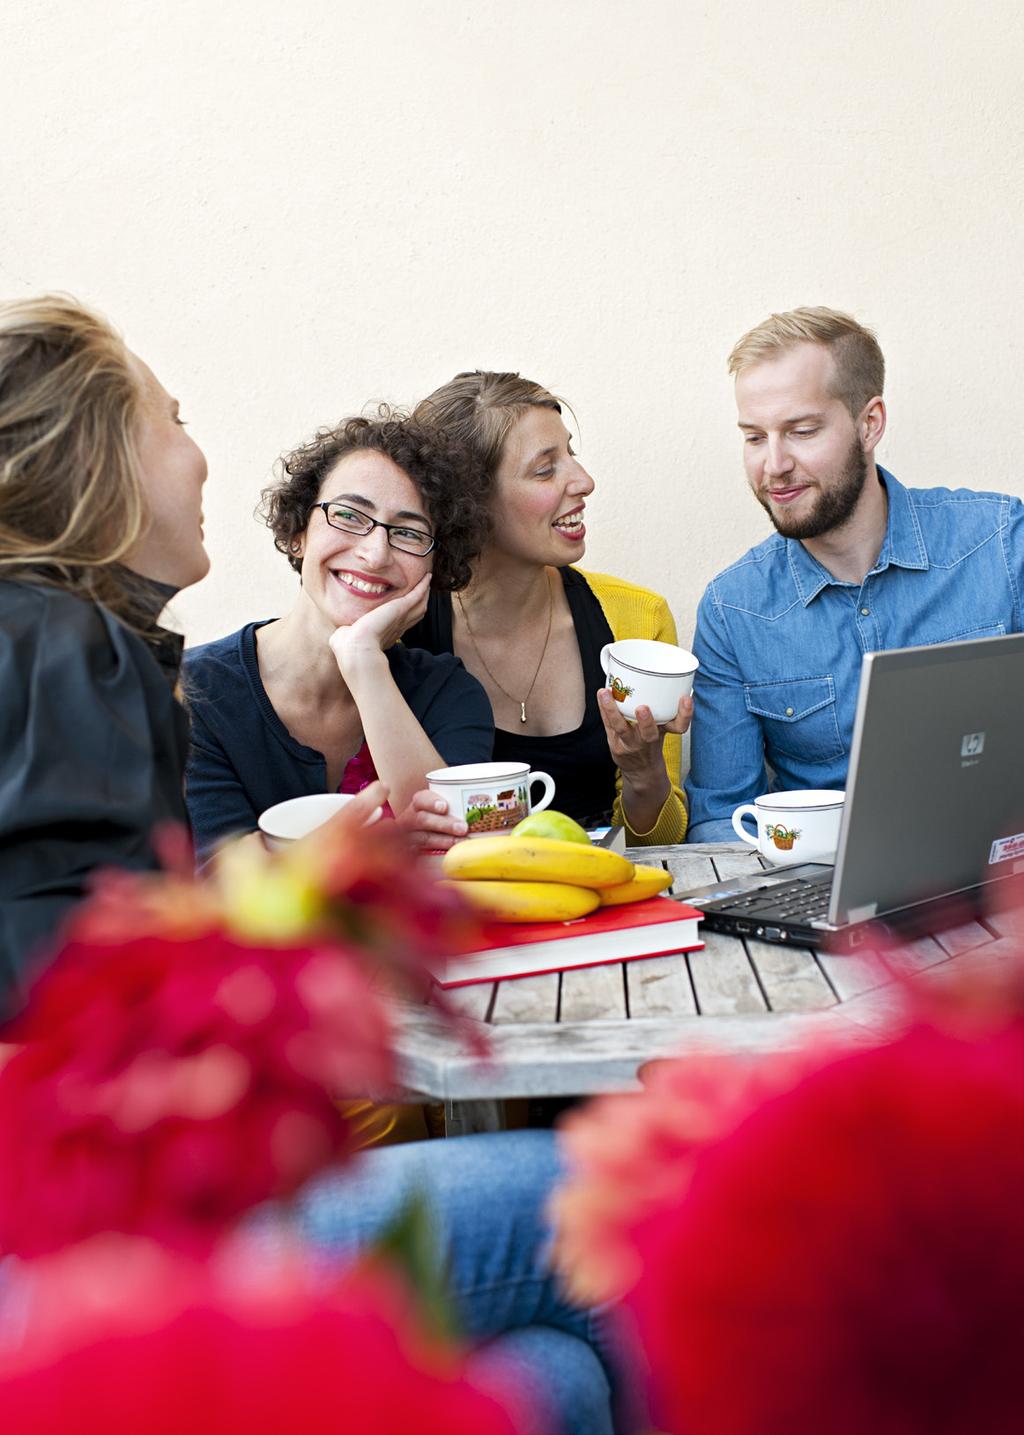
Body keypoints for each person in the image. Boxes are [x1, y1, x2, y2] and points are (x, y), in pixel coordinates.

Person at [0, 295, 624, 1435]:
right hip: (98, 1244)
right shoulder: (68, 651)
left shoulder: (70, 643)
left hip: (117, 1210)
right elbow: (63, 1001)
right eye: (172, 417)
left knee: (555, 1381)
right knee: (597, 1208)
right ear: (97, 459)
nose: (198, 449)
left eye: (410, 531)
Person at [685, 306, 1024, 842]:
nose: (773, 465)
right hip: (824, 898)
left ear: (870, 424)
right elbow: (720, 820)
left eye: (801, 431)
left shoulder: (1004, 543)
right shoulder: (734, 609)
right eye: (754, 437)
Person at [183, 413, 494, 861]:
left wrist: (363, 660)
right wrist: (377, 852)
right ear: (297, 534)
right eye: (349, 515)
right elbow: (225, 886)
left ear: (434, 568)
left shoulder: (448, 693)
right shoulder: (192, 693)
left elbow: (452, 851)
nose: (374, 553)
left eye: (408, 533)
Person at [405, 371, 690, 845]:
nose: (585, 481)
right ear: (468, 505)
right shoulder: (400, 638)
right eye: (545, 469)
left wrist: (644, 774)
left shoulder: (637, 620)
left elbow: (658, 850)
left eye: (571, 454)